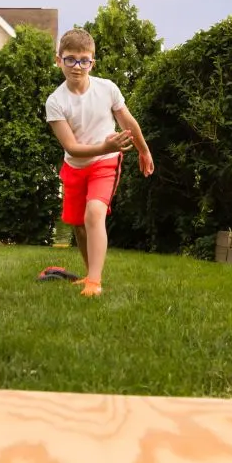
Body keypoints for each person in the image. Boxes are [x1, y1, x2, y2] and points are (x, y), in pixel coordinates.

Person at [45, 28, 154, 297]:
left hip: (106, 162)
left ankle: (95, 282)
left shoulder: (107, 89)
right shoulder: (55, 102)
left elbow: (128, 122)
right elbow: (71, 147)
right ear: (58, 60)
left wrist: (144, 151)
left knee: (94, 213)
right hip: (75, 166)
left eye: (84, 60)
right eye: (70, 59)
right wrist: (105, 144)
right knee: (79, 227)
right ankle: (89, 273)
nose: (77, 66)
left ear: (92, 62)